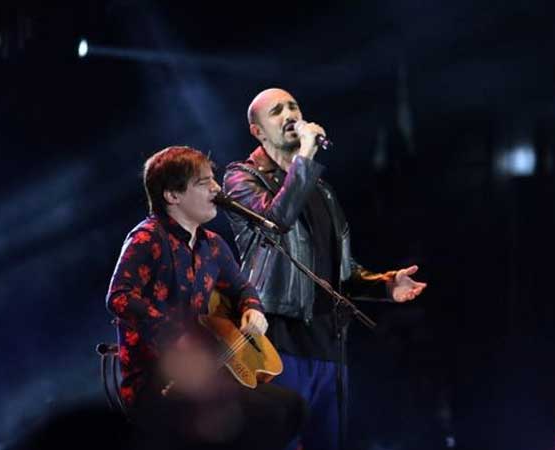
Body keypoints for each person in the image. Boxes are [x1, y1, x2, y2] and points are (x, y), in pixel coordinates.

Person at [223, 88, 428, 450]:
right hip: (277, 345)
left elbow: (341, 272)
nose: (289, 115)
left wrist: (385, 285)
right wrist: (305, 156)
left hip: (330, 346)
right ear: (257, 131)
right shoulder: (240, 178)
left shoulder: (321, 189)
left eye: (293, 106)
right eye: (276, 111)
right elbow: (275, 220)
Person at [105, 145, 305, 450]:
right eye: (204, 182)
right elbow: (118, 297)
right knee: (261, 418)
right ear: (172, 195)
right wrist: (176, 332)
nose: (216, 188)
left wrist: (253, 310)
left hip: (207, 374)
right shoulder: (147, 238)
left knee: (291, 408)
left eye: (214, 179)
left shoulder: (213, 245)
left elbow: (242, 289)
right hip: (158, 381)